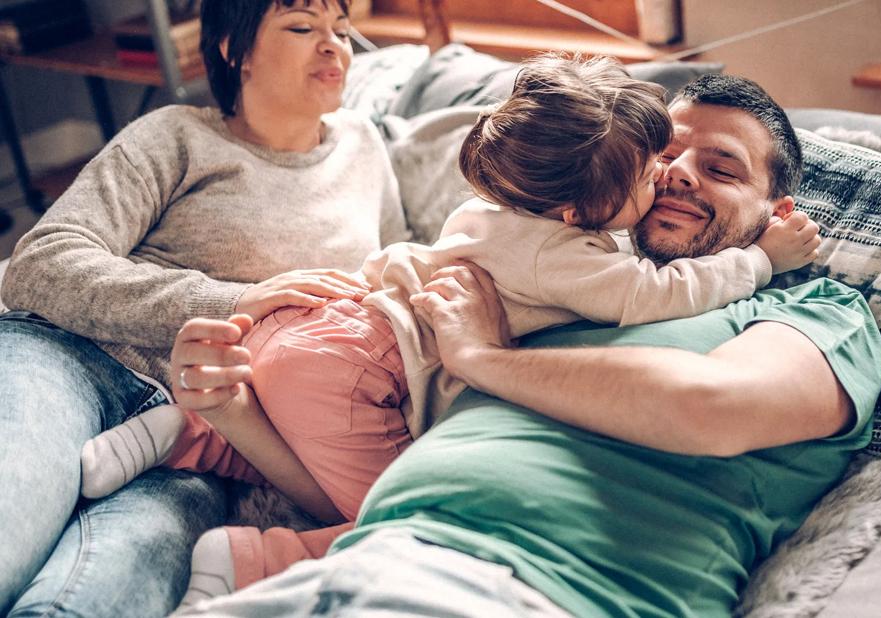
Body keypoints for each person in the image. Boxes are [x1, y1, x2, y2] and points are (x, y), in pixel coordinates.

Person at [80, 54, 822, 605]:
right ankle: (256, 557)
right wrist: (756, 259)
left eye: (718, 168)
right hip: (360, 370)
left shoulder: (511, 219)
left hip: (332, 345)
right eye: (656, 162)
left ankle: (187, 432)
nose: (670, 178)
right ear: (575, 204)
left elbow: (701, 397)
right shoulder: (582, 259)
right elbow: (651, 293)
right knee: (373, 509)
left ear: (780, 207)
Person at [0, 0, 408, 615]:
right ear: (232, 49)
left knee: (97, 597)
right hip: (75, 358)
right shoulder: (176, 135)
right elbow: (39, 262)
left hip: (211, 440)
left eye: (342, 31)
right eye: (302, 27)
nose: (334, 47)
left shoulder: (365, 147)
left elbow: (394, 277)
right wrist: (231, 300)